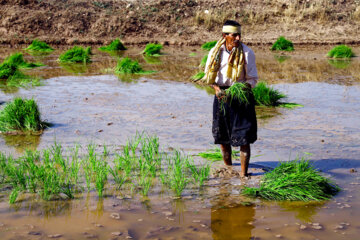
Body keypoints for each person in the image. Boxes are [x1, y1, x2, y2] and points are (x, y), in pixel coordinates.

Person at [204, 20, 258, 177]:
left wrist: (237, 90)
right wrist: (216, 89)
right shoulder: (215, 52)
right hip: (221, 97)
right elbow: (209, 77)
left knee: (244, 136)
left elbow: (252, 79)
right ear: (224, 35)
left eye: (239, 35)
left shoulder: (247, 53)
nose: (237, 38)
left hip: (241, 97)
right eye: (233, 35)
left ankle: (243, 175)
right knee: (223, 136)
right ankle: (228, 171)